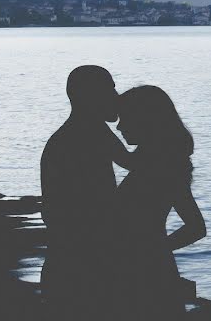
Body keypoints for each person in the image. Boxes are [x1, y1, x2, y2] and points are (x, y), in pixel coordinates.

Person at [40, 65, 134, 321]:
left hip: (69, 258)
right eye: (110, 90)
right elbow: (134, 164)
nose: (116, 97)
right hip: (83, 263)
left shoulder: (77, 133)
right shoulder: (90, 133)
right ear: (91, 96)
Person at [114, 85, 206, 320]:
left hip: (149, 273)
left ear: (145, 120)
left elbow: (196, 227)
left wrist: (152, 251)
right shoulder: (151, 163)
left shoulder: (164, 166)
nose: (119, 126)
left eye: (125, 118)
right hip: (146, 268)